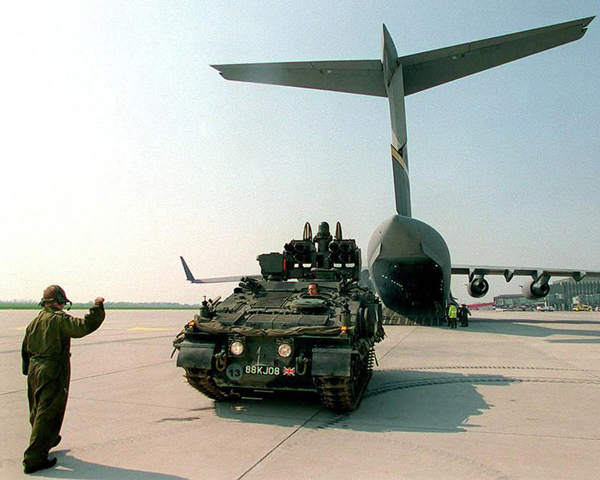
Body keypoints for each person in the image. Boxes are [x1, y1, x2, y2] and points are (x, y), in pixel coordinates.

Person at [21, 285, 105, 474]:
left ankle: (47, 440)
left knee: (37, 410)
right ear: (59, 301)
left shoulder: (35, 321)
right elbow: (83, 327)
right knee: (48, 413)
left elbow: (25, 347)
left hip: (35, 369)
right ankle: (34, 459)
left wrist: (28, 369)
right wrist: (97, 308)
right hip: (52, 370)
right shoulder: (58, 319)